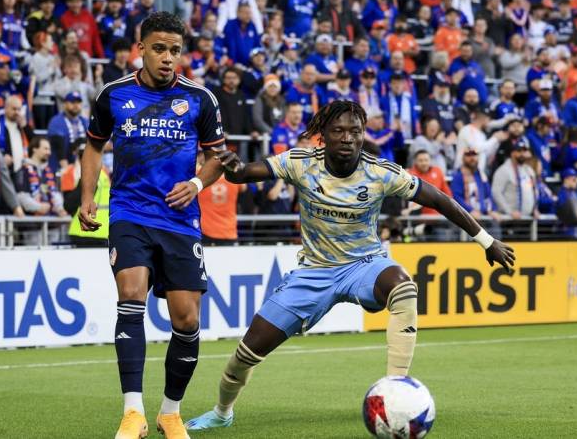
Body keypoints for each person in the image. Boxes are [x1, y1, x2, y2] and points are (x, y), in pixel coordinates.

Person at [185, 100, 514, 431]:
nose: (347, 138)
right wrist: (229, 163)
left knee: (403, 286)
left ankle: (395, 390)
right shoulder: (299, 163)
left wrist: (486, 240)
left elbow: (439, 199)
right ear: (323, 136)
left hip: (365, 265)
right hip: (314, 272)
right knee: (246, 353)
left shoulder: (381, 173)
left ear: (362, 135)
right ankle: (222, 413)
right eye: (338, 131)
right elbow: (244, 173)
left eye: (355, 131)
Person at [78, 12, 228, 439]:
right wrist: (88, 197)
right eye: (159, 48)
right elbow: (93, 146)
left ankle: (169, 412)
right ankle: (132, 413)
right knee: (130, 293)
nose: (167, 58)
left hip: (179, 219)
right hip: (130, 211)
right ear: (140, 48)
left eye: (175, 50)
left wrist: (197, 182)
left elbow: (219, 156)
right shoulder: (114, 94)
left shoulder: (201, 99)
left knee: (186, 319)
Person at [197, 151, 246, 246]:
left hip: (206, 233)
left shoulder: (200, 176)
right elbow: (244, 187)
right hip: (229, 232)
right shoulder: (233, 178)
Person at [14, 137, 68, 217]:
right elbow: (21, 196)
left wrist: (59, 208)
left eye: (49, 149)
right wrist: (38, 207)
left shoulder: (49, 171)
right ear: (34, 149)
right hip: (29, 224)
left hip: (51, 223)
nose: (49, 152)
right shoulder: (23, 170)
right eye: (45, 149)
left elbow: (56, 194)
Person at [491, 140, 539, 223]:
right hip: (509, 219)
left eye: (524, 151)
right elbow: (496, 193)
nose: (522, 154)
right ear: (512, 153)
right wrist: (509, 211)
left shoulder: (529, 170)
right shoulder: (503, 170)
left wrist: (535, 208)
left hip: (528, 219)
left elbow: (534, 191)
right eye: (519, 151)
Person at [0, 96, 34, 172]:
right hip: (1, 168)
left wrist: (26, 127)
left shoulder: (23, 125)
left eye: (19, 109)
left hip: (21, 169)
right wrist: (1, 157)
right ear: (6, 108)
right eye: (14, 109)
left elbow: (34, 143)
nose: (17, 112)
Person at [47, 91, 88, 172]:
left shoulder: (84, 121)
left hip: (81, 167)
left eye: (78, 102)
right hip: (59, 167)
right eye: (72, 102)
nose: (76, 105)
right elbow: (59, 147)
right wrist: (67, 171)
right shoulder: (56, 121)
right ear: (65, 104)